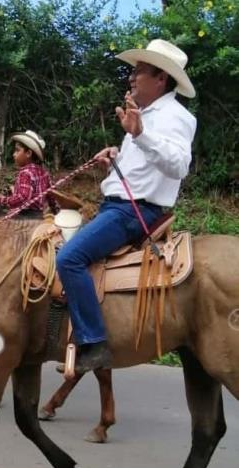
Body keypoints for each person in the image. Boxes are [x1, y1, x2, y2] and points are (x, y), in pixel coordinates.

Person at [56, 39, 197, 373]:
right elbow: (143, 168)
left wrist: (142, 135)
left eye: (139, 72)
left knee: (69, 258)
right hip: (119, 207)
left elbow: (178, 166)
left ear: (161, 78)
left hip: (134, 213)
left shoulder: (176, 116)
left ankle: (93, 342)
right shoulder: (144, 115)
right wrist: (117, 156)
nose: (131, 78)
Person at [0, 130, 57, 215]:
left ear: (28, 153)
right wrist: (55, 211)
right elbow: (51, 196)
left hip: (24, 216)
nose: (14, 154)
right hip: (38, 216)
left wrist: (3, 200)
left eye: (17, 150)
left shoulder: (25, 173)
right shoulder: (44, 173)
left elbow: (23, 197)